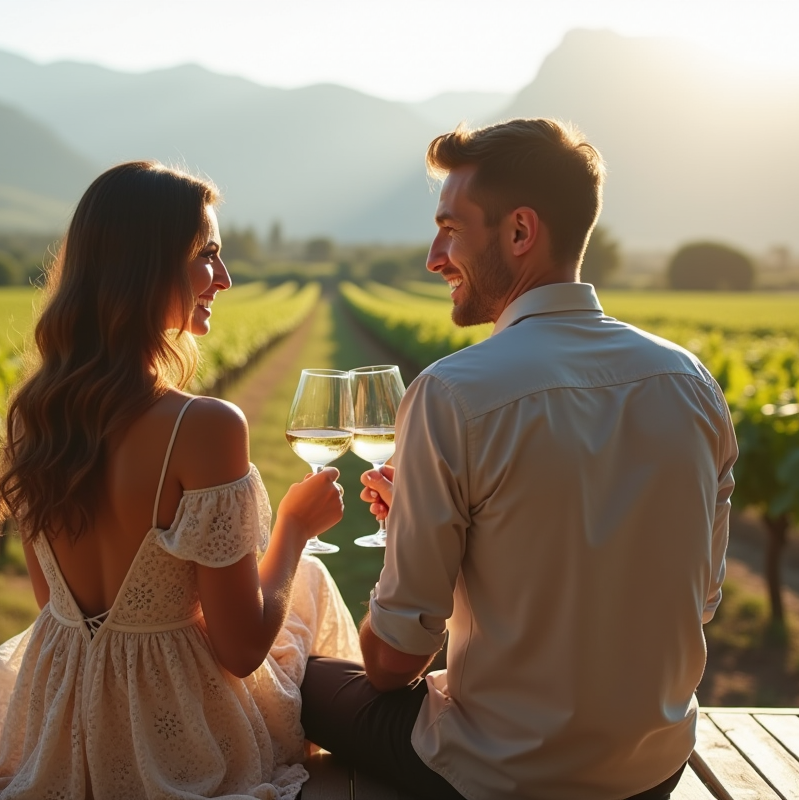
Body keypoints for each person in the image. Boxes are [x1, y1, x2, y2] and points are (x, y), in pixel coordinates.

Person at [0, 161, 360, 799]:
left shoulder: (33, 417)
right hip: (174, 741)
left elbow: (57, 610)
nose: (225, 278)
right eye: (206, 254)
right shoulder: (204, 427)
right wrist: (293, 527)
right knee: (310, 580)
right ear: (144, 265)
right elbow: (241, 652)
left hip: (62, 721)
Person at [300, 119, 737, 800]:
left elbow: (391, 664)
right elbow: (700, 600)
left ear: (520, 233)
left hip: (503, 776)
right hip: (653, 769)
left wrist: (412, 548)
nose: (434, 257)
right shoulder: (690, 381)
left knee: (298, 674)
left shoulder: (453, 394)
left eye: (451, 228)